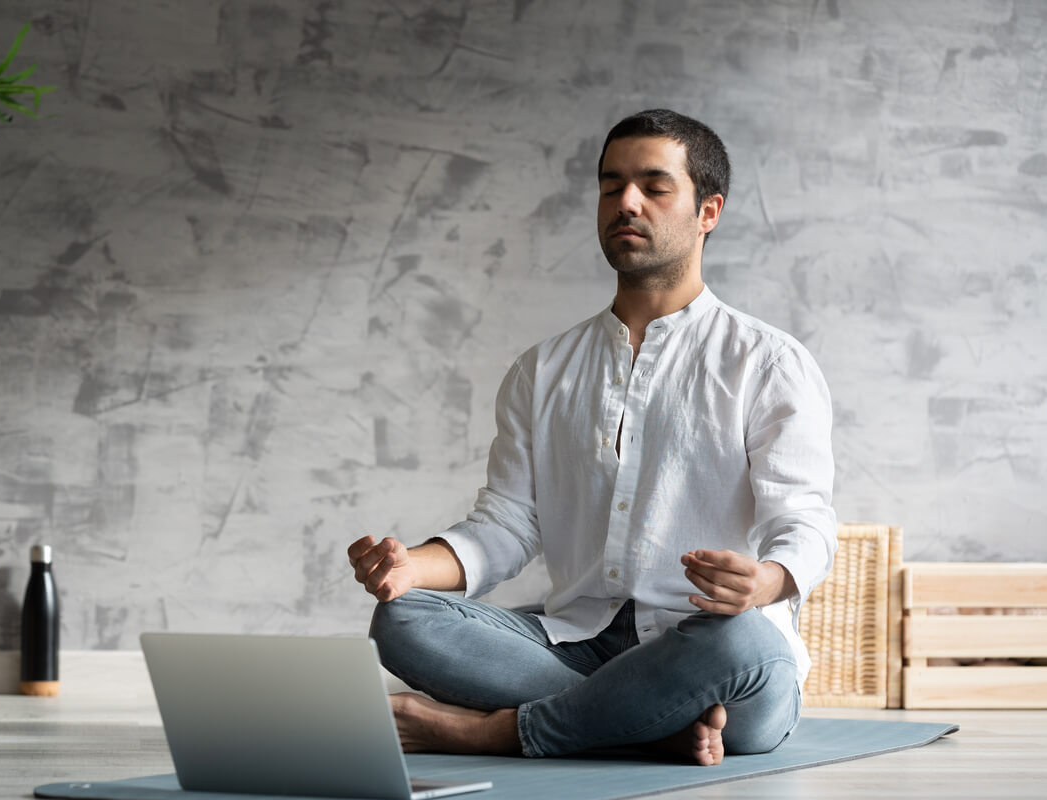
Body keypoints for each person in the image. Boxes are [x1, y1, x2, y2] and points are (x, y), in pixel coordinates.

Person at [347, 109, 836, 766]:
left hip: (707, 646)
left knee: (742, 646)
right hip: (579, 641)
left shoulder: (768, 362)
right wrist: (410, 566)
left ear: (708, 212)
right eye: (611, 186)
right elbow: (506, 526)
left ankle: (498, 732)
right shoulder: (543, 369)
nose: (626, 202)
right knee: (404, 618)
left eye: (653, 186)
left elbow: (805, 524)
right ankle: (646, 722)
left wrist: (766, 582)